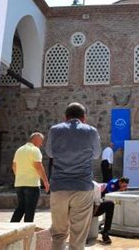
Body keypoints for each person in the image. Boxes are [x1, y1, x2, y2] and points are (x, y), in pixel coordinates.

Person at [45, 102, 102, 250]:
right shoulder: (91, 131)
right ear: (84, 118)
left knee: (58, 233)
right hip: (82, 187)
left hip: (59, 187)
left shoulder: (54, 130)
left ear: (65, 117)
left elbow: (50, 153)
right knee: (78, 235)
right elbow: (96, 154)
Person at [10, 132, 49, 223]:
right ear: (36, 139)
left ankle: (10, 228)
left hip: (19, 184)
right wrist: (46, 182)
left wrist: (19, 177)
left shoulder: (19, 150)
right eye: (41, 141)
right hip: (32, 185)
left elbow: (14, 166)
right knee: (30, 210)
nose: (41, 144)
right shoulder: (35, 150)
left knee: (20, 208)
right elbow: (38, 166)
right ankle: (28, 233)